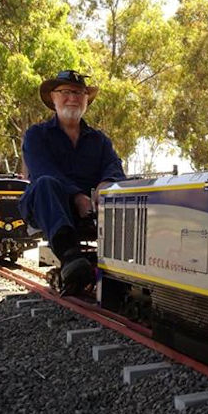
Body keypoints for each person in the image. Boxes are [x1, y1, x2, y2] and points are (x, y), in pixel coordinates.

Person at [19, 70, 125, 291]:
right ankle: (70, 258)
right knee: (46, 183)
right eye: (66, 92)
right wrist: (77, 196)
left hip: (92, 210)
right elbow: (41, 169)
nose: (73, 98)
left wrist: (106, 183)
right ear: (53, 98)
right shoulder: (36, 135)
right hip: (49, 208)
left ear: (86, 99)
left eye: (79, 93)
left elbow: (114, 166)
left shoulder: (100, 140)